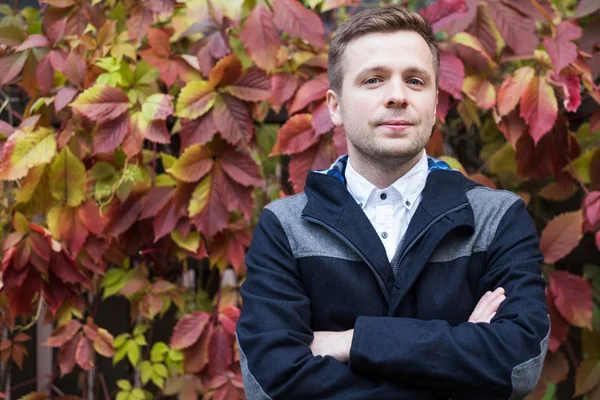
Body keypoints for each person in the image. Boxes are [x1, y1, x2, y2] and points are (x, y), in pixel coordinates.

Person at [236, 4, 549, 399]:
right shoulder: (286, 227)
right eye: (373, 80)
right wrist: (459, 362)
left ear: (435, 103)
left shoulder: (495, 218)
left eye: (415, 81)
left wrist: (351, 342)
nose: (398, 96)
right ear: (335, 106)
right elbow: (271, 384)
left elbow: (518, 366)